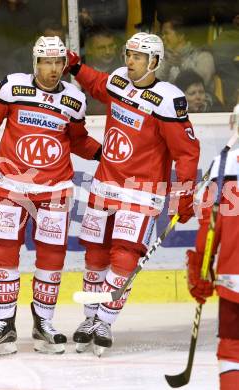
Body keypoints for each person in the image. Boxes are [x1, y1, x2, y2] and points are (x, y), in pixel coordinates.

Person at [0, 36, 101, 356]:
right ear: (35, 62)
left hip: (55, 188)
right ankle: (4, 326)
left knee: (51, 256)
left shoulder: (74, 99)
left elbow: (80, 142)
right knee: (3, 252)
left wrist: (108, 155)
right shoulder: (13, 88)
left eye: (59, 62)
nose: (53, 69)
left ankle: (43, 323)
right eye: (46, 62)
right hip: (12, 186)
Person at [66, 31, 200, 356]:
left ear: (154, 61)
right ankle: (89, 318)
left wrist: (183, 196)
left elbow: (186, 152)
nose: (130, 61)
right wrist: (76, 67)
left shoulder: (168, 100)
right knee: (96, 256)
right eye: (128, 54)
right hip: (104, 185)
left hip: (142, 193)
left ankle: (105, 322)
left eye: (137, 57)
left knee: (124, 257)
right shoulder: (118, 81)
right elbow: (98, 83)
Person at [186, 105, 239, 389]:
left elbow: (210, 226)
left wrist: (201, 270)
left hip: (235, 277)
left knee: (232, 351)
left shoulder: (223, 167)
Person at [157, 18, 216, 94]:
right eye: (162, 34)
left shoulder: (203, 56)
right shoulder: (163, 58)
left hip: (197, 104)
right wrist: (167, 67)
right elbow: (155, 86)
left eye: (166, 33)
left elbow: (199, 84)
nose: (163, 37)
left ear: (181, 36)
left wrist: (181, 65)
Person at [84, 25, 122, 115]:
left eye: (111, 46)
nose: (108, 51)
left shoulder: (124, 71)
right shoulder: (79, 73)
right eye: (102, 48)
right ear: (89, 49)